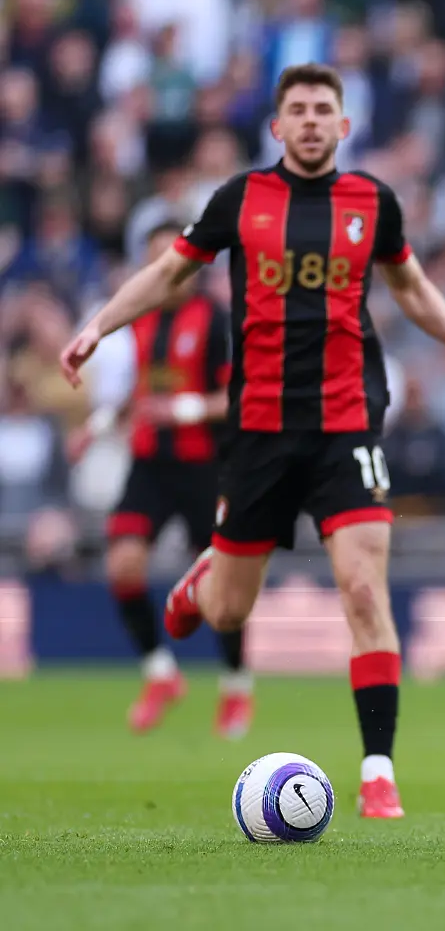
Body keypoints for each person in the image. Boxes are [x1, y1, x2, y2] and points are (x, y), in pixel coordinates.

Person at [59, 63, 445, 819]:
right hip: (259, 430)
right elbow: (168, 277)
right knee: (229, 614)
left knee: (364, 589)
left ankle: (378, 771)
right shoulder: (241, 200)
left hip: (347, 421)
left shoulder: (373, 202)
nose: (310, 121)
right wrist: (96, 326)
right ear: (277, 127)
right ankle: (204, 578)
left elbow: (408, 287)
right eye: (298, 110)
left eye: (323, 110)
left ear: (344, 126)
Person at [72, 220, 252, 738]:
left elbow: (235, 398)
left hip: (204, 466)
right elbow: (137, 392)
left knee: (221, 590)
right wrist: (98, 427)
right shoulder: (141, 320)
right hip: (150, 463)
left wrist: (183, 409)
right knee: (123, 565)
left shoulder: (216, 319)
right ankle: (160, 673)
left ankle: (236, 687)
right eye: (157, 261)